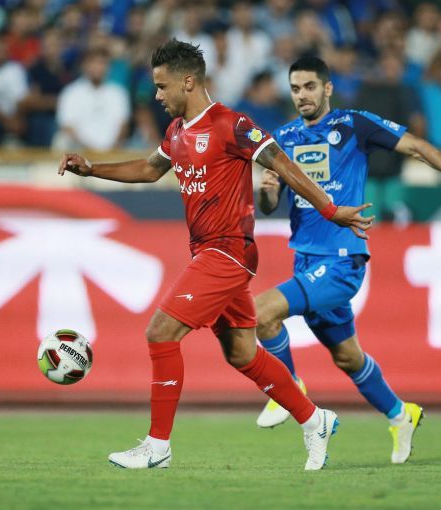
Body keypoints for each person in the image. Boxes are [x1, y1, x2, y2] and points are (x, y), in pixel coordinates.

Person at [58, 39, 374, 471]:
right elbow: (149, 169)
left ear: (188, 82)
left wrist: (331, 210)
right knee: (242, 352)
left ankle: (157, 446)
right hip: (206, 250)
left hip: (228, 251)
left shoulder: (231, 124)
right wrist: (93, 169)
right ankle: (314, 419)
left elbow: (282, 164)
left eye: (162, 86)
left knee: (160, 332)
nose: (157, 95)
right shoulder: (177, 132)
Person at [253, 56, 441, 464]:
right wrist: (268, 188)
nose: (302, 96)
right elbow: (270, 204)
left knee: (261, 313)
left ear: (327, 88)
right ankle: (401, 415)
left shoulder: (353, 124)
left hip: (342, 260)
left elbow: (416, 146)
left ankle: (287, 390)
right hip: (306, 260)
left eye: (310, 87)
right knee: (348, 357)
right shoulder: (284, 138)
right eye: (295, 89)